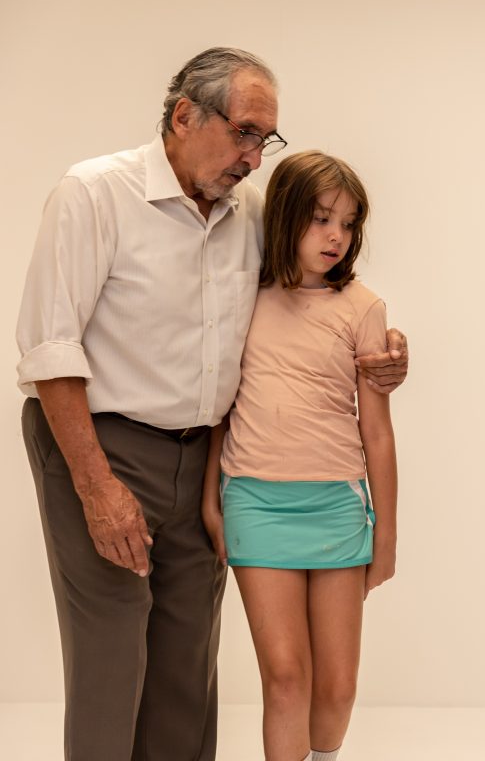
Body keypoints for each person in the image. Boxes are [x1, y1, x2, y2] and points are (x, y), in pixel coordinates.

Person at [15, 48, 409, 760]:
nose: (255, 157)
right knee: (112, 652)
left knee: (186, 661)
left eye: (266, 139)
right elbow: (50, 349)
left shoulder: (249, 213)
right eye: (244, 133)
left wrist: (385, 350)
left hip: (207, 458)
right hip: (101, 443)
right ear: (184, 117)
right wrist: (96, 485)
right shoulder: (94, 194)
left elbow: (310, 299)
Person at [202, 151, 394, 760]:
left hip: (337, 508)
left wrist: (386, 536)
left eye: (349, 223)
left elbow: (378, 432)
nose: (336, 236)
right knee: (286, 678)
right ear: (285, 216)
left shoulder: (364, 309)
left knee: (336, 689)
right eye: (321, 219)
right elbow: (219, 408)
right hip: (255, 504)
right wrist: (211, 501)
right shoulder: (244, 300)